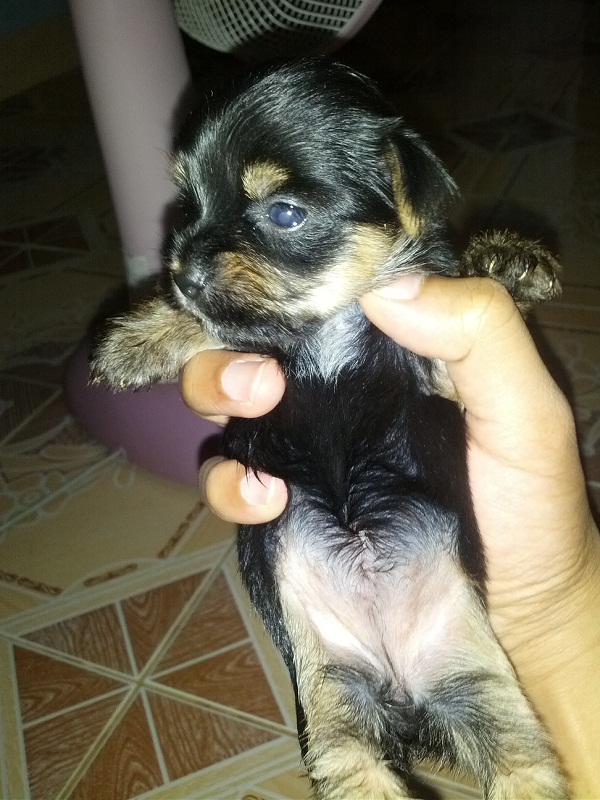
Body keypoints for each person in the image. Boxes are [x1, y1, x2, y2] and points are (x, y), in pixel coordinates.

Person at [180, 274, 600, 796]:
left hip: (399, 587)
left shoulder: (396, 288)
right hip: (357, 593)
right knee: (498, 768)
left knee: (365, 764)